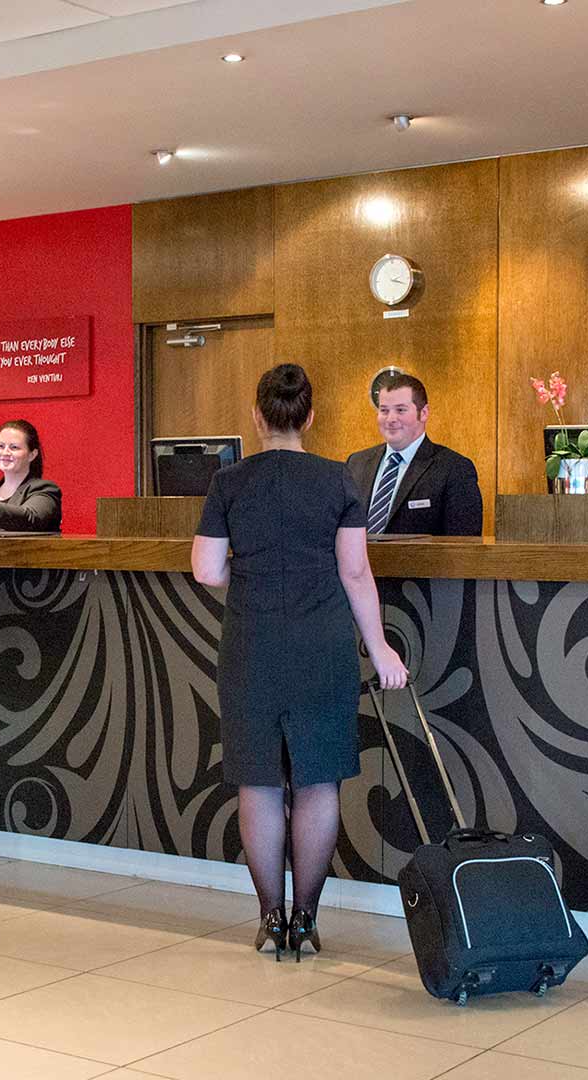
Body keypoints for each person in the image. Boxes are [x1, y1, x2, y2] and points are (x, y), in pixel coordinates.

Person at [191, 362, 409, 962]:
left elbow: (207, 570)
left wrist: (253, 574)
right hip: (322, 644)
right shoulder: (340, 480)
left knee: (258, 781)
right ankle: (307, 919)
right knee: (317, 779)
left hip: (251, 644)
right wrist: (382, 647)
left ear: (258, 417)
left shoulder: (228, 483)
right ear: (310, 416)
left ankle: (269, 917)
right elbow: (356, 571)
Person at [344, 372, 483, 536]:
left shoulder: (454, 469)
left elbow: (463, 547)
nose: (390, 419)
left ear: (423, 413)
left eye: (401, 410)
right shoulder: (356, 463)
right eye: (384, 410)